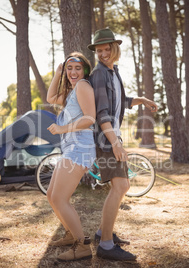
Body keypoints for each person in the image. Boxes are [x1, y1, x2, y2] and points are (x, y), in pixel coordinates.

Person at [87, 28, 158, 261]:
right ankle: (105, 245)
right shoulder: (99, 74)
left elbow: (121, 101)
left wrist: (143, 100)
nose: (103, 53)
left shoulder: (113, 73)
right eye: (99, 50)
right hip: (106, 140)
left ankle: (102, 233)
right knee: (120, 187)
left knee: (123, 186)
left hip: (113, 137)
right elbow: (102, 112)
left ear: (115, 49)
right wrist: (115, 142)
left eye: (107, 49)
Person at [45, 52, 96, 261]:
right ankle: (69, 234)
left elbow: (90, 118)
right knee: (51, 195)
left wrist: (63, 128)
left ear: (84, 70)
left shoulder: (83, 86)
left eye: (77, 68)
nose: (73, 72)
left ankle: (82, 245)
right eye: (69, 68)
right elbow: (50, 98)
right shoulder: (72, 90)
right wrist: (57, 73)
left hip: (80, 148)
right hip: (71, 149)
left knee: (59, 198)